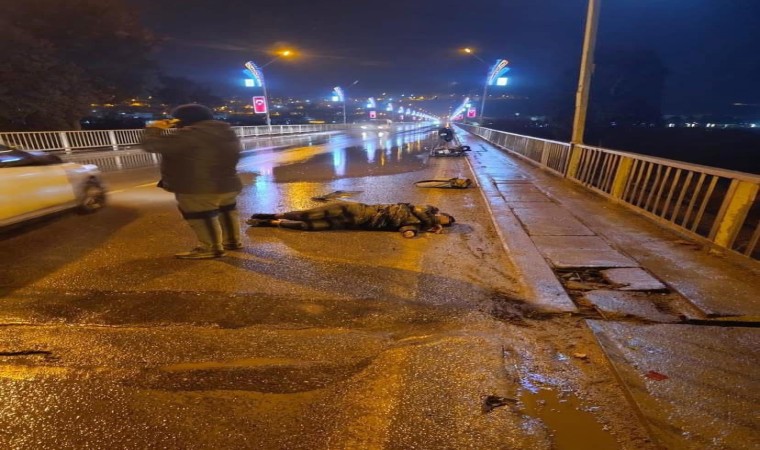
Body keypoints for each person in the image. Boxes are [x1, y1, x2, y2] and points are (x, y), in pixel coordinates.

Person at [141, 104, 243, 259]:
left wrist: (154, 129)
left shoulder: (189, 134)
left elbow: (151, 145)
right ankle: (232, 241)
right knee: (227, 211)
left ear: (182, 120)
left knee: (202, 216)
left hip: (198, 187)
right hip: (228, 183)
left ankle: (211, 248)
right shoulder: (226, 131)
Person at [247, 201, 455, 238]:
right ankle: (274, 215)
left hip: (357, 222)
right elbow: (424, 208)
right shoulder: (424, 209)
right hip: (357, 209)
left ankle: (272, 223)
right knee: (311, 213)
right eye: (445, 218)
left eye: (445, 222)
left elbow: (407, 231)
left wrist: (420, 231)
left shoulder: (419, 224)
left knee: (311, 226)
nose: (443, 220)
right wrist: (432, 219)